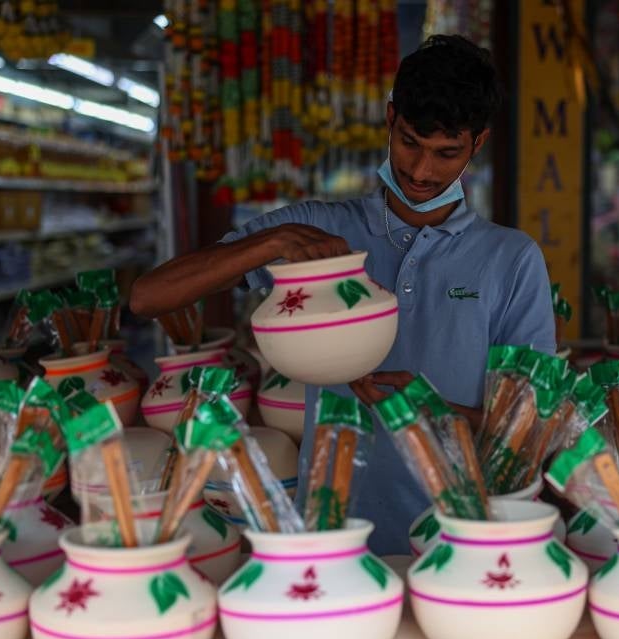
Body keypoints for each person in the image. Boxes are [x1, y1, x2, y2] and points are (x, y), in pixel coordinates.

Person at [130, 35, 555, 554]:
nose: (422, 171)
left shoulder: (511, 259)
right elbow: (148, 299)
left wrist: (432, 411)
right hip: (332, 538)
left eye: (447, 153)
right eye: (409, 143)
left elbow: (533, 431)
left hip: (463, 540)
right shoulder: (315, 228)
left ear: (478, 143)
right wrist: (273, 242)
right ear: (389, 119)